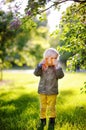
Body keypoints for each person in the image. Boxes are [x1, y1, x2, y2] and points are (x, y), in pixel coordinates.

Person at [34, 48, 64, 130]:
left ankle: (52, 120)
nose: (51, 60)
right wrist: (39, 66)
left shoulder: (56, 68)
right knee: (42, 106)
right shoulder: (42, 67)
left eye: (54, 59)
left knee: (52, 107)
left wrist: (57, 67)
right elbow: (36, 73)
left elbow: (60, 76)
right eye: (48, 58)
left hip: (52, 91)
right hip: (42, 91)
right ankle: (42, 119)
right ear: (45, 58)